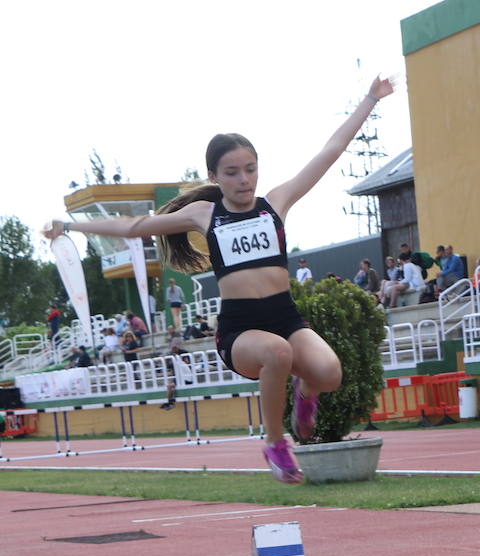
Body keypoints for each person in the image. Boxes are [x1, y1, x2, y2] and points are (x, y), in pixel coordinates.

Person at [44, 80, 395, 479]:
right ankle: (276, 444)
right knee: (278, 353)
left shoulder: (275, 204)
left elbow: (330, 152)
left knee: (329, 374)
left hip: (286, 318)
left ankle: (306, 396)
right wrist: (69, 225)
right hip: (240, 330)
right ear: (214, 175)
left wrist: (370, 99)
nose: (244, 180)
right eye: (232, 173)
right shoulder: (204, 215)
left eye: (250, 169)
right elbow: (136, 226)